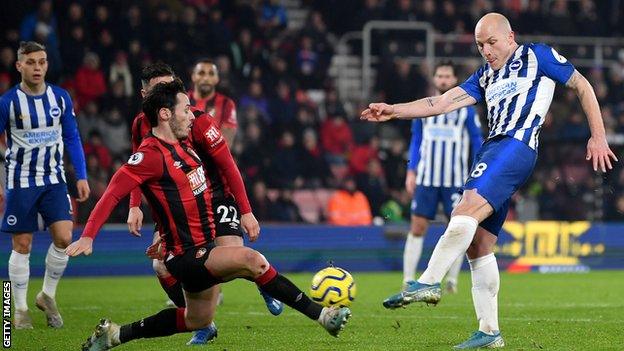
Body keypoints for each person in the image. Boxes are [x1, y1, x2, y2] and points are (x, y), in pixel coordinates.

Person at [360, 13, 617, 349]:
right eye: (480, 45)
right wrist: (394, 109)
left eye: (492, 42)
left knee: (463, 211)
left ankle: (428, 281)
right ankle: (490, 332)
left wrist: (598, 135)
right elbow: (441, 102)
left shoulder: (537, 55)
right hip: (492, 149)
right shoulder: (484, 76)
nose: (486, 50)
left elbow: (581, 85)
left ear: (510, 36)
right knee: (479, 245)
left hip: (516, 145)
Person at [67, 80, 351, 350]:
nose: (192, 115)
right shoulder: (150, 155)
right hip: (188, 255)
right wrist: (88, 236)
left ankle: (116, 335)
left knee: (196, 319)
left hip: (201, 246)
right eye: (186, 109)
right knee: (253, 261)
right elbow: (113, 192)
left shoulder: (183, 146)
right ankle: (323, 316)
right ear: (165, 114)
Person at [126, 63, 282, 345]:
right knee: (161, 267)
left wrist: (246, 211)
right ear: (145, 93)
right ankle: (201, 322)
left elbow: (227, 155)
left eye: (170, 85)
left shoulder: (209, 112)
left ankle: (262, 279)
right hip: (178, 201)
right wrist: (134, 204)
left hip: (215, 192)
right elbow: (136, 166)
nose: (166, 91)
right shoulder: (142, 123)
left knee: (232, 255)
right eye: (159, 88)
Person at [0, 41, 90, 329]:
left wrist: (82, 175)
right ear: (19, 66)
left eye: (42, 62)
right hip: (20, 180)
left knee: (64, 238)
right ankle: (20, 309)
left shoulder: (60, 98)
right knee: (22, 244)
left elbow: (72, 138)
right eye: (31, 62)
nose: (37, 67)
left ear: (47, 64)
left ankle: (47, 295)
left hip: (54, 180)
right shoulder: (7, 102)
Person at [403, 61, 483, 294]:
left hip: (455, 180)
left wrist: (477, 172)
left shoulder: (466, 110)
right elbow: (416, 141)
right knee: (417, 227)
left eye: (448, 76)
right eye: (440, 76)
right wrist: (411, 170)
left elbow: (476, 141)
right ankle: (408, 279)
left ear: (454, 80)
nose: (443, 80)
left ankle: (452, 280)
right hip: (427, 178)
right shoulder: (424, 108)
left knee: (458, 228)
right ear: (434, 79)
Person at [189, 58, 237, 147]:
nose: (206, 78)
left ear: (217, 78)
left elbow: (226, 143)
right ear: (193, 76)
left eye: (211, 74)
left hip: (211, 159)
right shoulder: (181, 101)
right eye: (201, 73)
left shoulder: (227, 104)